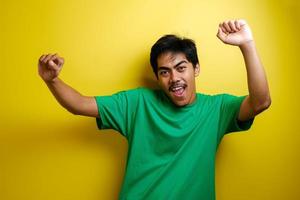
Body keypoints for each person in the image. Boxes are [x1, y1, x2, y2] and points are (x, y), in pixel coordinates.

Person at [38, 19, 271, 200]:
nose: (174, 78)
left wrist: (246, 44)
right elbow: (80, 104)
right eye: (164, 72)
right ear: (157, 77)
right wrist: (52, 81)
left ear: (196, 69)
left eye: (181, 68)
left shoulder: (216, 109)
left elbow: (260, 102)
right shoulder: (138, 103)